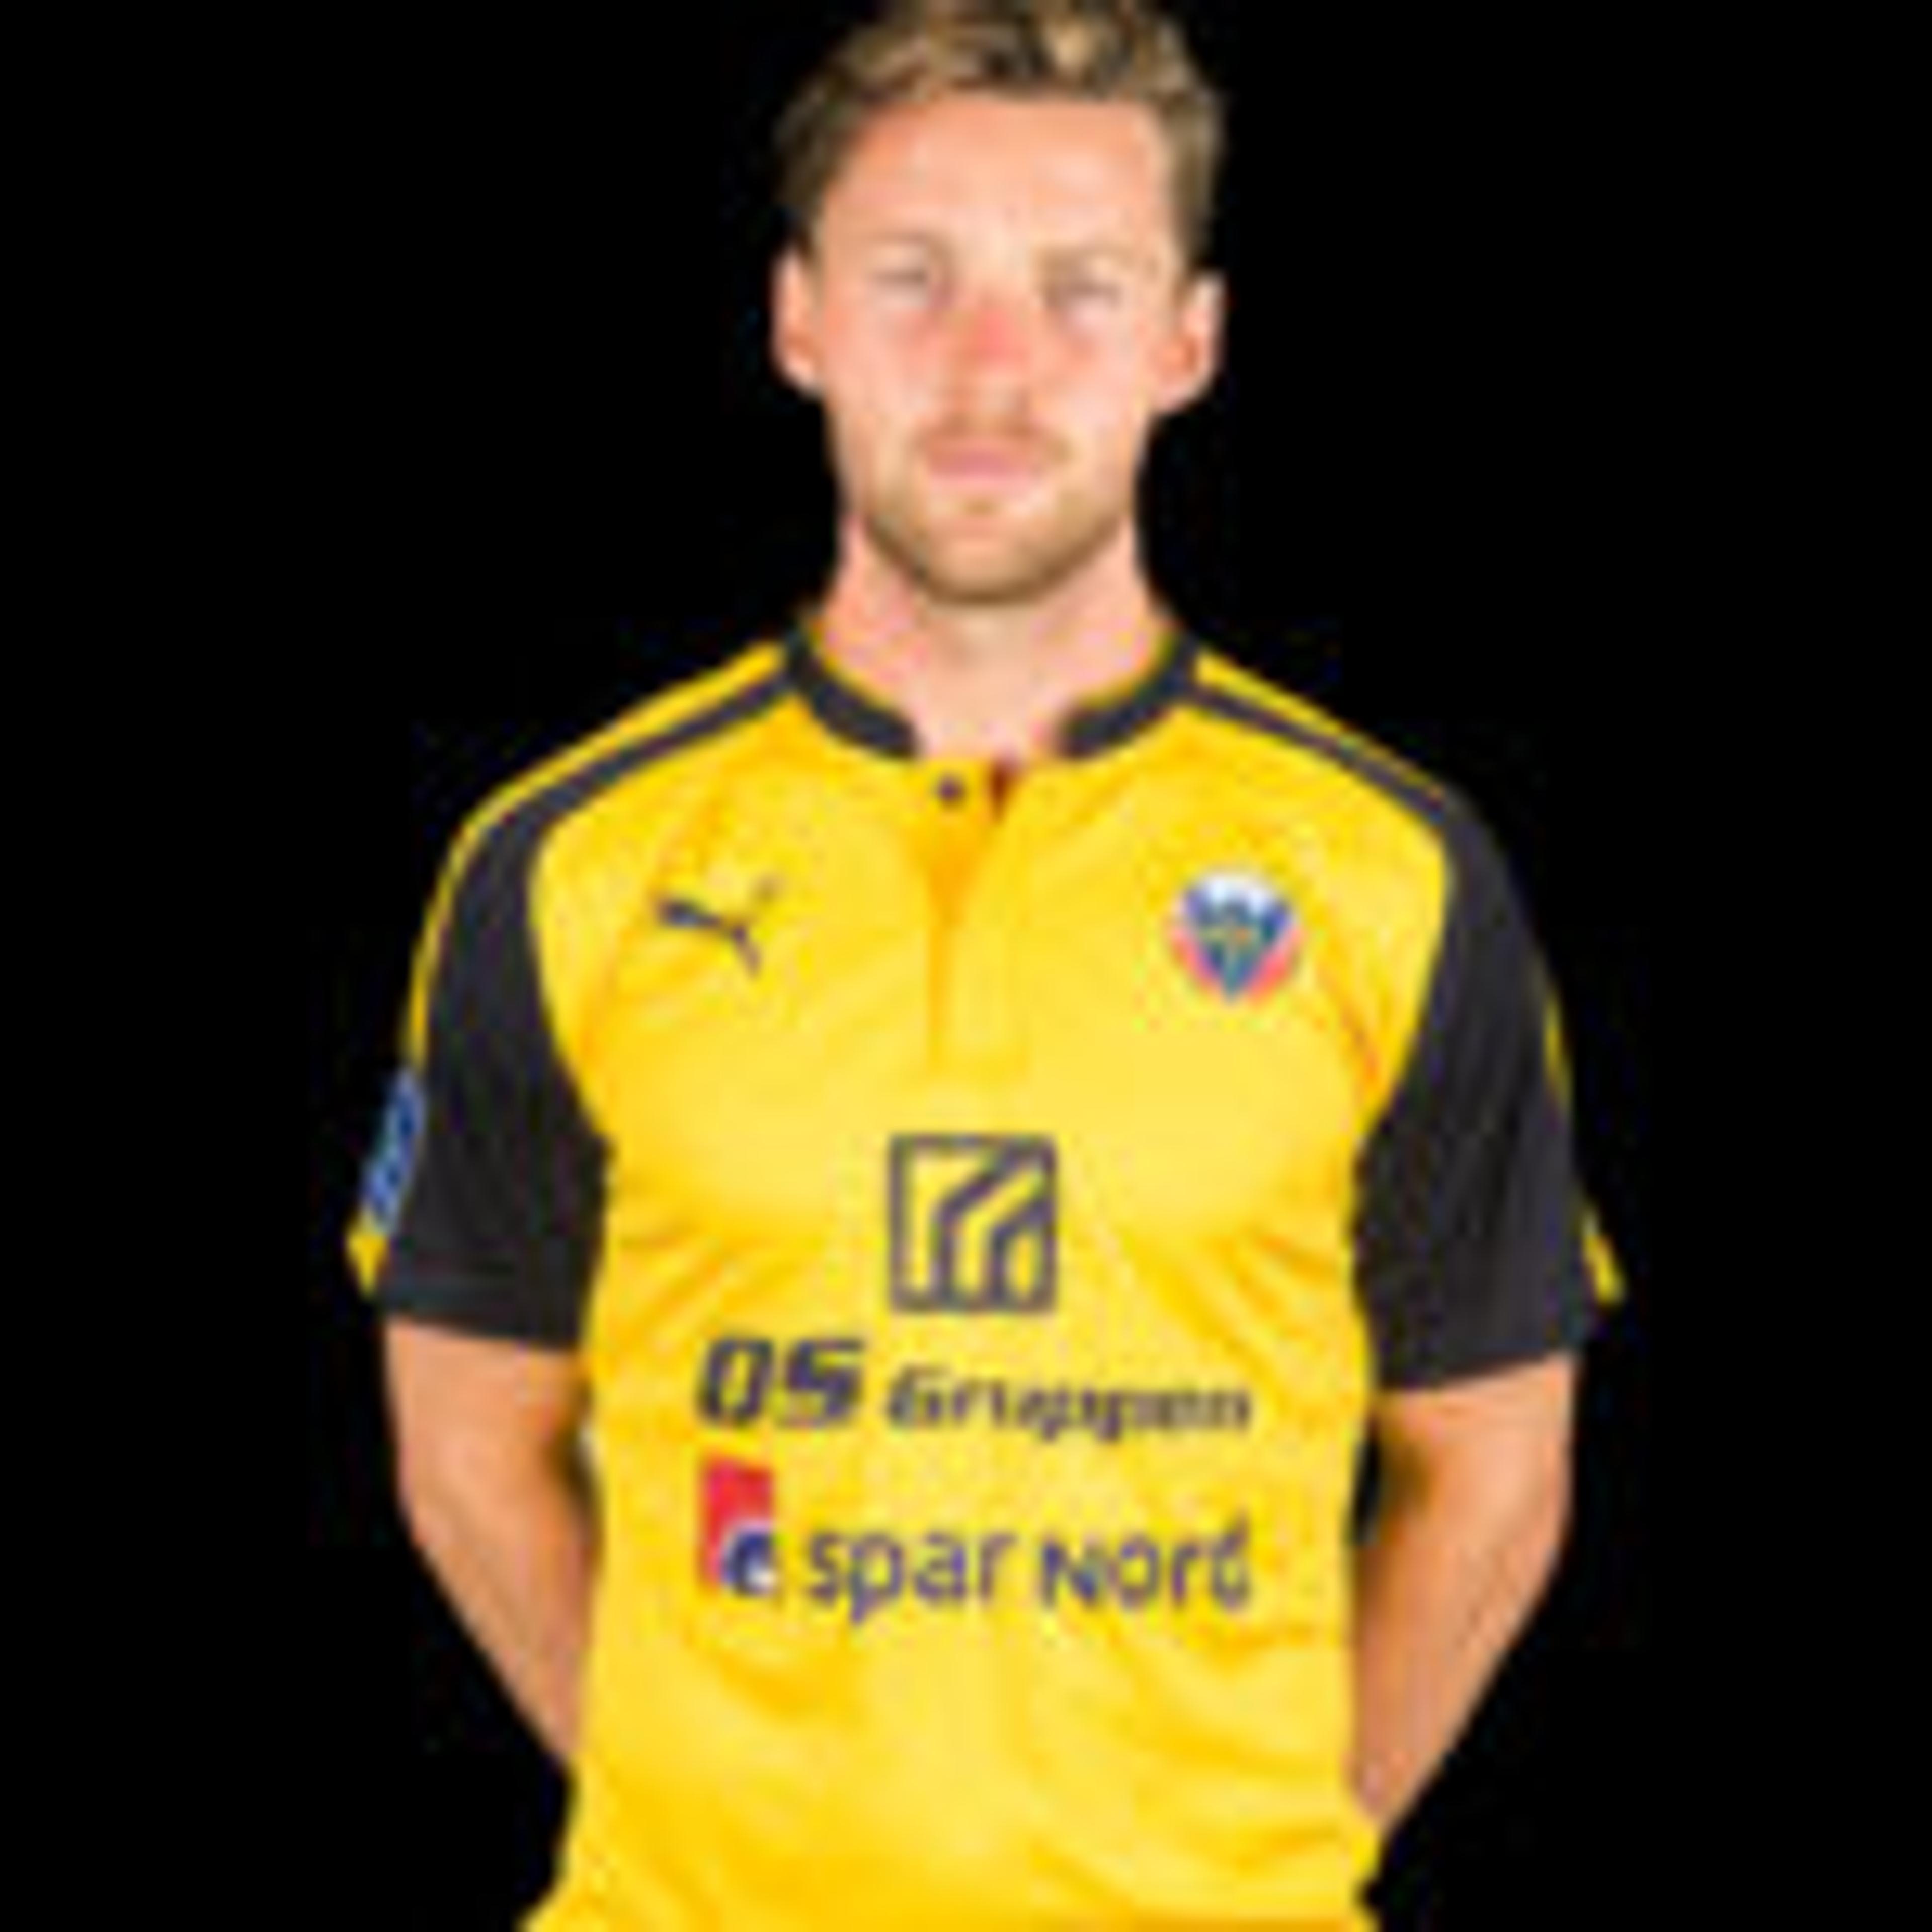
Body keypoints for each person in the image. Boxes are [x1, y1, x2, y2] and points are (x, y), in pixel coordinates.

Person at [347, 2, 1620, 1926]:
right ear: (798, 321)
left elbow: (1496, 1477)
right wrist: (722, 1846)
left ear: (1191, 340)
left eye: (1081, 288)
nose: (994, 368)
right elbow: (464, 1448)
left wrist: (1248, 1871)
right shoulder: (565, 860)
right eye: (915, 278)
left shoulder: (1395, 873)